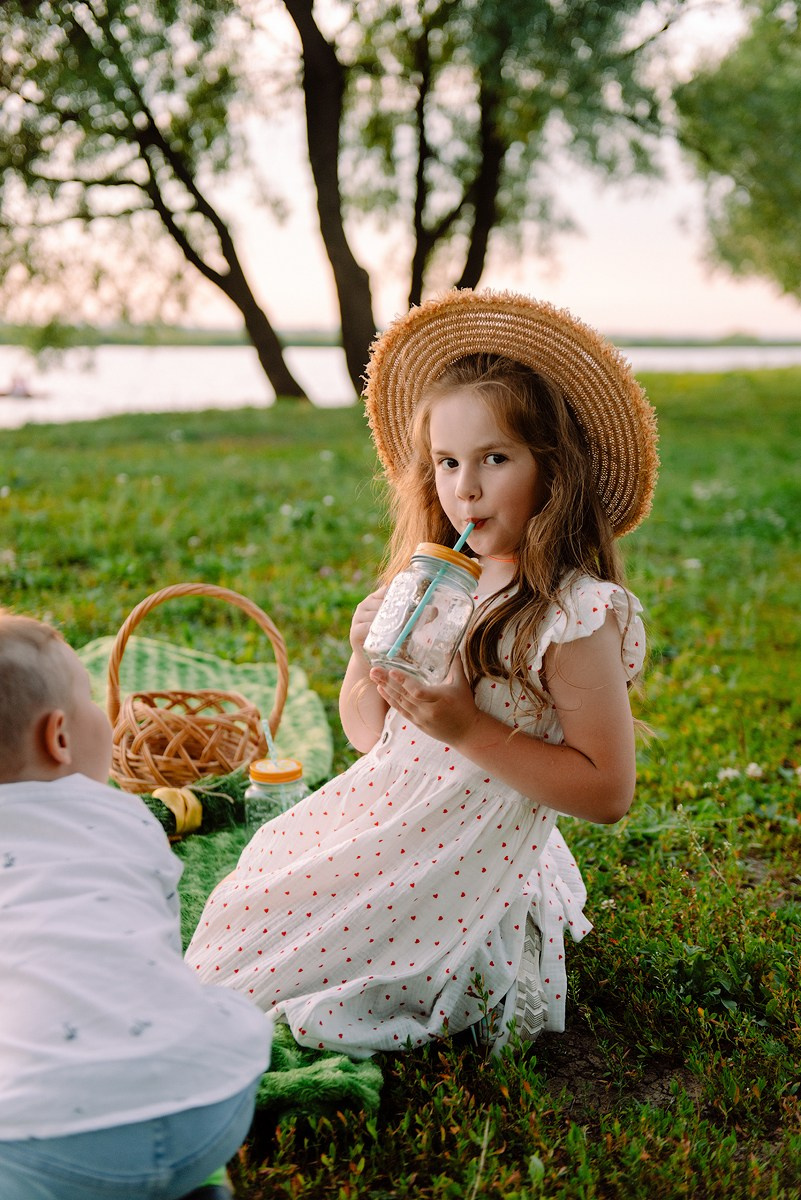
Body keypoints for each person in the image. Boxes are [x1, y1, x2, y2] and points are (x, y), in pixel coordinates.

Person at [185, 289, 658, 1057]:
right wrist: (361, 661)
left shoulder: (572, 614)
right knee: (259, 892)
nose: (463, 487)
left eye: (493, 459)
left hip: (464, 860)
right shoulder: (435, 582)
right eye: (446, 462)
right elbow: (373, 737)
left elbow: (606, 793)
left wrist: (466, 726)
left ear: (553, 470)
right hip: (391, 817)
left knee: (328, 965)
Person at [0, 612, 272, 1200]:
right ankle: (198, 1183)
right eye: (94, 702)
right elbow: (160, 943)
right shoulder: (126, 816)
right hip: (207, 1104)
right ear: (60, 738)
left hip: (47, 1146)